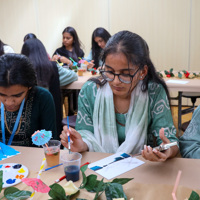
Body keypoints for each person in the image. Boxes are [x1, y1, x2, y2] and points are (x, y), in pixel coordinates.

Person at [60, 31, 179, 162]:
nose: (116, 81)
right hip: (99, 167)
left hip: (145, 167)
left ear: (143, 72)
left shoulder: (153, 92)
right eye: (109, 71)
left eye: (125, 74)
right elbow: (85, 134)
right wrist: (81, 144)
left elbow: (171, 143)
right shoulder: (90, 91)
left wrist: (165, 150)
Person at [0, 53, 57, 146]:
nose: (9, 102)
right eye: (2, 95)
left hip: (33, 157)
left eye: (17, 95)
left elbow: (50, 142)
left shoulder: (42, 98)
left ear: (29, 86)